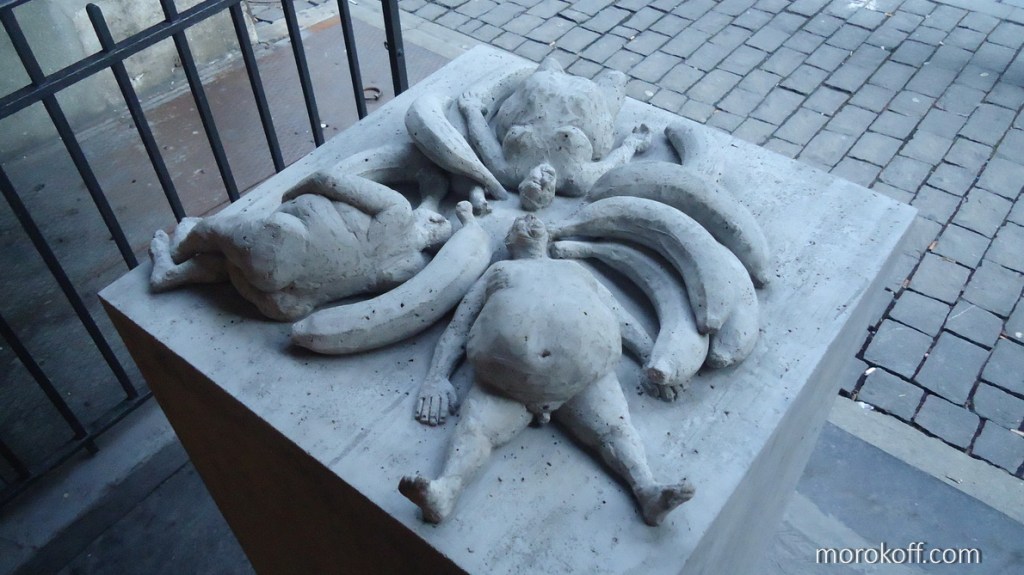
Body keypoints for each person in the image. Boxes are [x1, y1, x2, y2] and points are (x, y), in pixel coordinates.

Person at [400, 215, 694, 526]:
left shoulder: (574, 269)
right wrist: (436, 377)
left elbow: (617, 314)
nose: (528, 221)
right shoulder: (500, 271)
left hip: (586, 376)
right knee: (475, 429)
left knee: (616, 430)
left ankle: (648, 491)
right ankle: (445, 491)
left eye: (534, 220)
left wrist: (651, 355)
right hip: (506, 382)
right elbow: (460, 326)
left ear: (548, 237)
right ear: (510, 242)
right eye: (518, 223)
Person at [149, 169, 451, 321]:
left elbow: (325, 180)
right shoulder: (408, 268)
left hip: (280, 243)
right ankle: (175, 274)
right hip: (288, 304)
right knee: (238, 262)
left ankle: (179, 250)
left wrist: (289, 196)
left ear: (432, 219)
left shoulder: (399, 210)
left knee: (216, 232)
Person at [458, 57, 652, 209]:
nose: (543, 179)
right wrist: (633, 143)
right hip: (589, 101)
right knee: (616, 78)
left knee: (551, 61)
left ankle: (554, 72)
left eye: (535, 183)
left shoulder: (507, 172)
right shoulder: (577, 180)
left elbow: (483, 140)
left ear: (521, 184)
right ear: (551, 196)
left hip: (540, 89)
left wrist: (471, 110)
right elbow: (612, 164)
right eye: (545, 189)